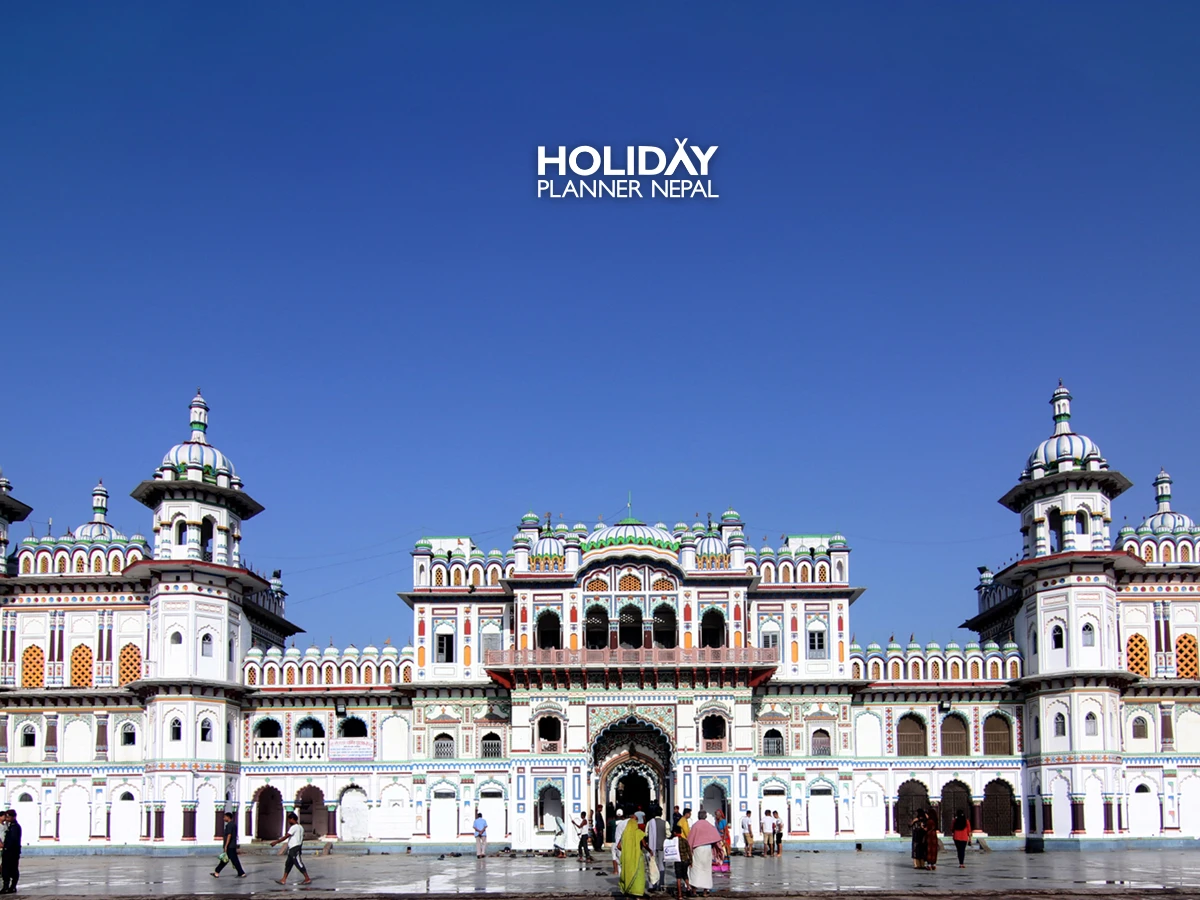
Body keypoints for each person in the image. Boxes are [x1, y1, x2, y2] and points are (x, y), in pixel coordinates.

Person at [271, 812, 311, 885]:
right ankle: (283, 879)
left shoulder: (294, 827)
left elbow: (286, 836)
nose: (289, 821)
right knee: (288, 864)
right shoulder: (300, 827)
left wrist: (276, 842)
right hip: (293, 848)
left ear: (292, 819)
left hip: (295, 848)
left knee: (298, 863)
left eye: (289, 820)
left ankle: (307, 878)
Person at [686, 809, 721, 895]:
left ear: (698, 816)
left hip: (698, 849)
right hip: (707, 849)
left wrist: (688, 852)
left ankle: (694, 891)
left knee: (695, 869)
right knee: (706, 869)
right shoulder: (710, 826)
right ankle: (705, 891)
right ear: (705, 816)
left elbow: (690, 840)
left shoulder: (695, 826)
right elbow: (716, 838)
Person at [618, 809, 648, 897]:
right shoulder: (638, 832)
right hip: (637, 857)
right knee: (638, 876)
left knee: (628, 873)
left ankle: (628, 892)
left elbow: (619, 846)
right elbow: (644, 844)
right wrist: (649, 850)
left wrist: (627, 850)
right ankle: (637, 893)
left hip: (627, 857)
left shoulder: (624, 834)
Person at [212, 811, 246, 879]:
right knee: (233, 859)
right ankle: (241, 873)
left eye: (224, 817)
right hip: (233, 845)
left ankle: (217, 872)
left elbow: (229, 835)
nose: (223, 818)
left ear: (228, 817)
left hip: (230, 846)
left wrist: (226, 845)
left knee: (225, 860)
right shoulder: (234, 824)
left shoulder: (229, 825)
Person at [646, 805, 666, 892]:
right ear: (661, 814)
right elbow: (668, 834)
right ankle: (661, 884)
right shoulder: (665, 823)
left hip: (651, 848)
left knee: (652, 865)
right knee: (661, 865)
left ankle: (652, 884)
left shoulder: (649, 823)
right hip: (662, 846)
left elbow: (646, 834)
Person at [1, 810, 21, 895]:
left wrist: (5, 846)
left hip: (12, 852)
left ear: (13, 817)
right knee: (5, 870)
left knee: (13, 869)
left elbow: (13, 840)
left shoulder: (15, 827)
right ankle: (6, 887)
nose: (7, 819)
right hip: (8, 851)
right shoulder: (9, 826)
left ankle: (12, 886)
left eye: (8, 817)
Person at [612, 808, 627, 875]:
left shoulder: (612, 822)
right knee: (622, 857)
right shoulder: (625, 823)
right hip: (621, 842)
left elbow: (608, 824)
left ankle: (615, 870)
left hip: (614, 842)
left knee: (614, 857)